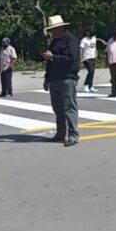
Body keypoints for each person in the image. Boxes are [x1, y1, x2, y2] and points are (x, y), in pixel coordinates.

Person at [42, 15, 81, 147]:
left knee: (69, 108)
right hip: (54, 79)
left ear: (61, 28)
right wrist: (47, 78)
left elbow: (71, 58)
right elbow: (50, 63)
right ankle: (60, 133)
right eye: (51, 30)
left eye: (54, 29)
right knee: (58, 108)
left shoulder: (71, 40)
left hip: (67, 78)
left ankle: (73, 135)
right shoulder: (54, 42)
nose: (53, 32)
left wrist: (54, 56)